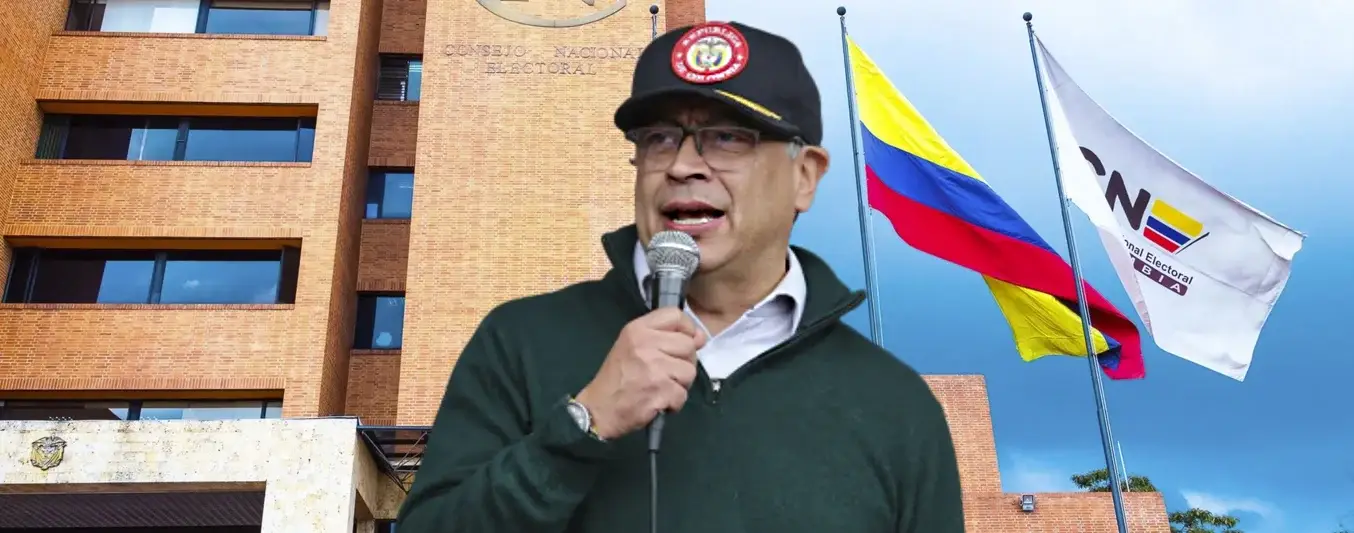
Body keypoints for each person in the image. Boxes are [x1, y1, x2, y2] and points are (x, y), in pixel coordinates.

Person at [395, 20, 965, 533]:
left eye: (729, 137)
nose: (681, 166)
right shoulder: (522, 341)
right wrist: (580, 427)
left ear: (805, 177)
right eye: (659, 139)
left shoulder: (895, 404)